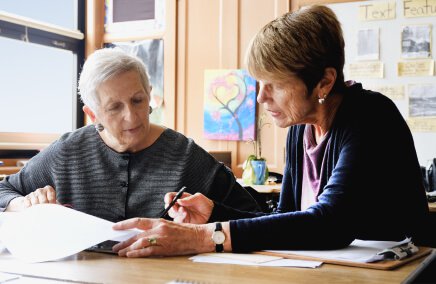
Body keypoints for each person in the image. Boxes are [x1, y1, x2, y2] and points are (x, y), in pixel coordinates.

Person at [111, 5, 432, 258]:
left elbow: (331, 222)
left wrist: (203, 237)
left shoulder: (371, 116)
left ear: (324, 81)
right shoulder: (300, 130)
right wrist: (214, 215)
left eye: (275, 85)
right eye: (259, 84)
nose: (262, 98)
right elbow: (291, 218)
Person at [0, 48, 260, 222]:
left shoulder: (186, 156)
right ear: (93, 114)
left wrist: (211, 215)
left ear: (149, 94)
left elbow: (254, 218)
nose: (132, 116)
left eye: (138, 100)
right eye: (115, 107)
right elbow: (4, 190)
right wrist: (23, 204)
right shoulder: (67, 151)